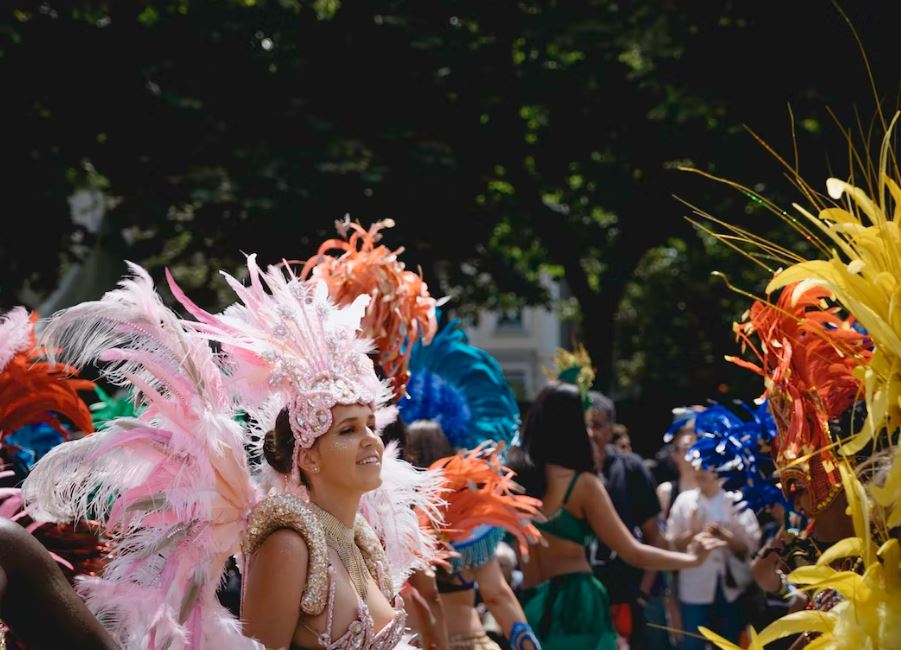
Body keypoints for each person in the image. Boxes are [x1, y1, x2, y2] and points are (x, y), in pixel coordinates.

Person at [22, 258, 443, 649]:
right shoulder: (290, 544)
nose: (371, 439)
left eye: (371, 425)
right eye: (348, 430)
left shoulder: (362, 543)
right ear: (308, 458)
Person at [509, 382, 724, 650]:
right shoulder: (583, 485)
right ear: (572, 426)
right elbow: (633, 552)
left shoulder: (514, 482)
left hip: (531, 605)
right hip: (576, 608)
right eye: (585, 422)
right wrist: (692, 559)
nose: (589, 431)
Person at [584, 391, 670, 650]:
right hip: (582, 601)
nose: (590, 434)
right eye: (584, 426)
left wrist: (642, 596)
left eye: (597, 426)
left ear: (611, 430)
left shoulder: (631, 470)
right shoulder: (565, 474)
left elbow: (654, 537)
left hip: (628, 597)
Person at [666, 465, 760, 648]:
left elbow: (750, 547)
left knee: (728, 643)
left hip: (730, 588)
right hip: (693, 587)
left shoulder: (735, 500)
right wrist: (693, 533)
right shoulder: (684, 501)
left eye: (706, 467)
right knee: (692, 642)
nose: (700, 472)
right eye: (697, 467)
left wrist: (724, 536)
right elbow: (672, 543)